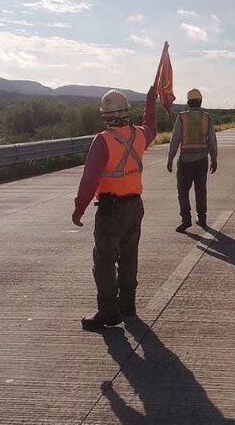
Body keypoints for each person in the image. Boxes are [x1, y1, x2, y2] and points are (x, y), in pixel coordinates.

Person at [72, 86, 157, 332]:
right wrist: (150, 102)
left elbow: (89, 179)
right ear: (126, 111)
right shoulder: (139, 135)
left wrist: (79, 209)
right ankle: (128, 306)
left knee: (105, 260)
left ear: (104, 115)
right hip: (135, 207)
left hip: (111, 211)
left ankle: (109, 313)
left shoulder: (102, 140)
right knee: (129, 257)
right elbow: (151, 127)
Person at [167, 88, 218, 233]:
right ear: (200, 101)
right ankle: (202, 218)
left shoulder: (182, 117)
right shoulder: (207, 118)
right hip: (202, 160)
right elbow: (212, 140)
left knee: (183, 191)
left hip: (185, 161)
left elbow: (175, 139)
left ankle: (186, 220)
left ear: (188, 102)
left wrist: (170, 158)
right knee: (200, 190)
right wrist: (214, 158)